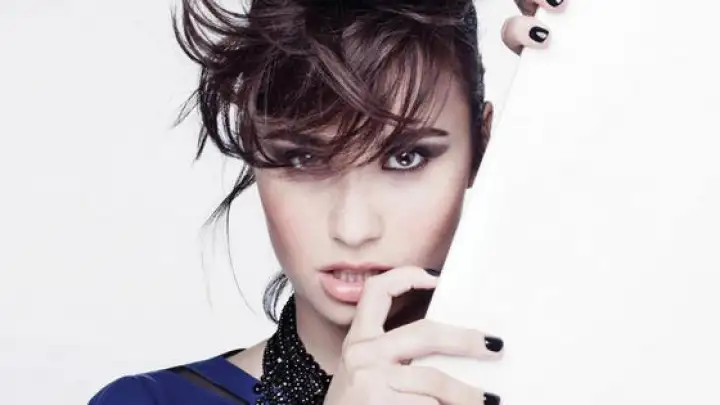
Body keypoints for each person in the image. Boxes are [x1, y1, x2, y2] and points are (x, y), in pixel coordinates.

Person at [89, 0, 567, 404]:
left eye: (406, 158)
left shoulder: (577, 381)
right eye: (303, 157)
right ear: (253, 149)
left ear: (483, 148)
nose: (353, 228)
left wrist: (590, 74)